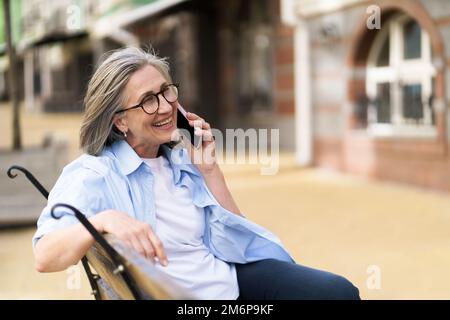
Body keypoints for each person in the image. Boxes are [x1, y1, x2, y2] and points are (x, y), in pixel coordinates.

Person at [33, 47, 360, 300]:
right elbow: (45, 256)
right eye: (147, 100)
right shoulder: (93, 174)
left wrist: (210, 170)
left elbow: (236, 238)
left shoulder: (180, 160)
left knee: (338, 292)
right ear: (120, 121)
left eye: (166, 91)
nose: (164, 106)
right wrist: (102, 221)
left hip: (228, 282)